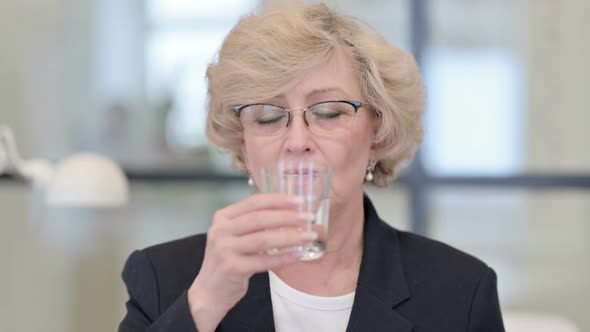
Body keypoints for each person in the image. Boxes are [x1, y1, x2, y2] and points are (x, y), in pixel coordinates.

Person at [118, 2, 504, 331]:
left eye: (329, 113)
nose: (298, 140)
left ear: (378, 132)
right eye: (268, 116)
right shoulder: (163, 277)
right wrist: (203, 304)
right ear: (243, 143)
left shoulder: (459, 291)